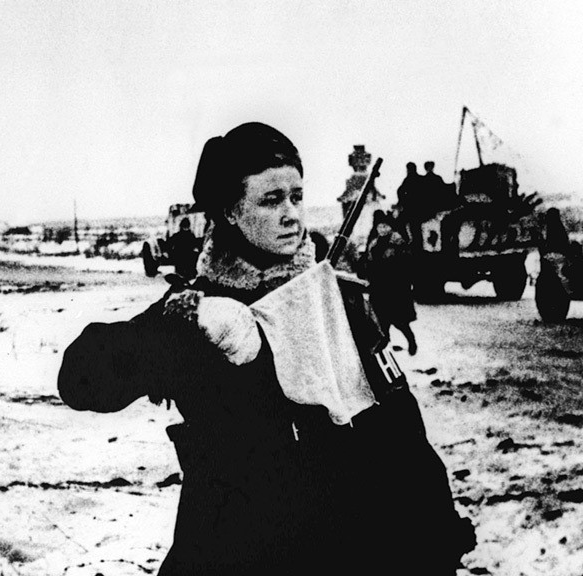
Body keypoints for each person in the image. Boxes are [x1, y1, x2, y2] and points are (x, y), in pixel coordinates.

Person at [58, 122, 474, 575]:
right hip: (233, 554)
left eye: (297, 196)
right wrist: (190, 315)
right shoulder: (196, 315)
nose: (291, 214)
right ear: (230, 212)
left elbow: (403, 438)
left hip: (349, 550)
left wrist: (435, 543)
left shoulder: (339, 301)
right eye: (271, 200)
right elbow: (82, 381)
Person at [365, 214, 418, 355]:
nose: (382, 229)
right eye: (379, 226)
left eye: (385, 226)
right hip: (379, 287)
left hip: (395, 287)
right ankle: (383, 344)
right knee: (381, 320)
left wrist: (407, 282)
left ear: (390, 227)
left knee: (400, 321)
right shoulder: (373, 244)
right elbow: (369, 264)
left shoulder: (399, 242)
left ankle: (411, 340)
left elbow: (407, 264)